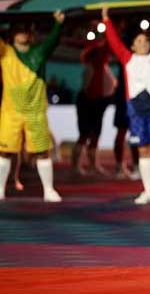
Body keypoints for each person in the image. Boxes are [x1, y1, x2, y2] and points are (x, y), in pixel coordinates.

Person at [102, 8, 150, 205]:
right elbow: (113, 41)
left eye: (146, 41)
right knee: (143, 151)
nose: (143, 44)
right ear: (133, 47)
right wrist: (106, 19)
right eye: (139, 42)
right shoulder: (128, 60)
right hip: (137, 112)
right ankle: (147, 191)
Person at [0, 11, 66, 202]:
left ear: (31, 34)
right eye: (19, 31)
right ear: (12, 34)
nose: (23, 34)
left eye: (26, 31)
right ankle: (0, 189)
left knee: (42, 151)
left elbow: (53, 40)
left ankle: (49, 190)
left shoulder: (39, 52)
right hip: (10, 112)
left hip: (35, 112)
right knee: (4, 150)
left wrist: (58, 24)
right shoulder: (5, 52)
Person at [72, 41, 117, 176]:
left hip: (99, 104)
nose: (107, 57)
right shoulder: (94, 67)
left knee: (95, 136)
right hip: (90, 103)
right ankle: (75, 166)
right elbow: (91, 91)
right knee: (84, 135)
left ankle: (93, 165)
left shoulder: (103, 67)